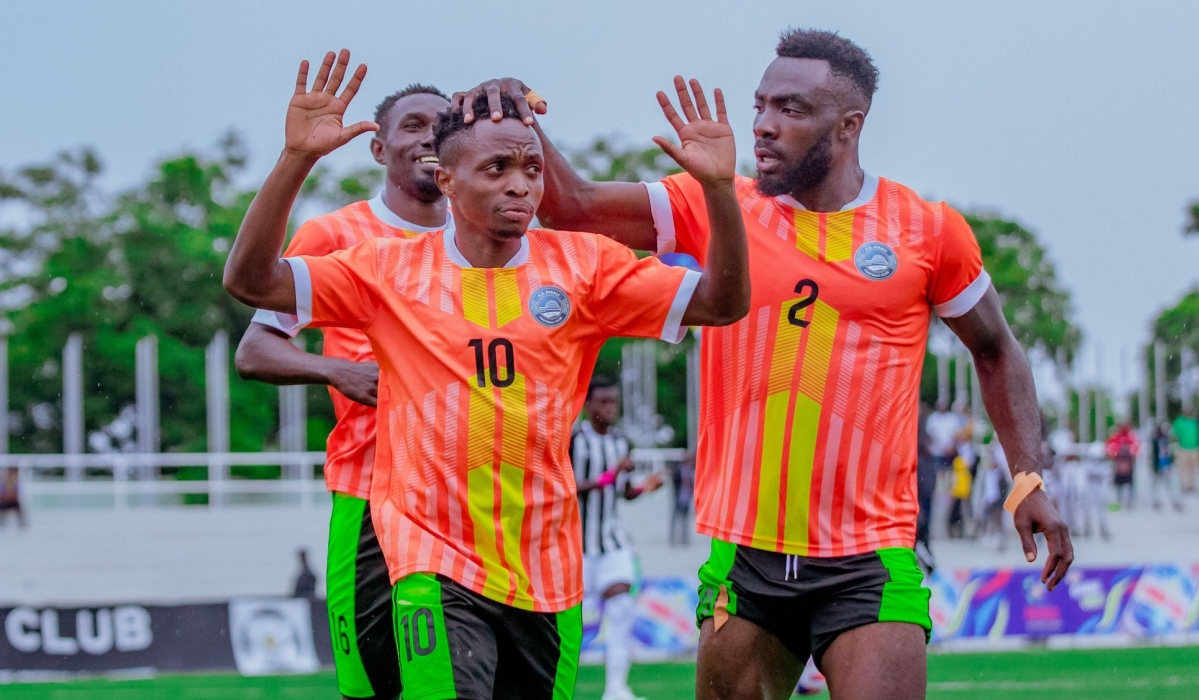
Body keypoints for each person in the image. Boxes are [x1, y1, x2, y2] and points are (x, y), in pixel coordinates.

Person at [457, 28, 1074, 700]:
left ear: (848, 125)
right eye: (760, 106)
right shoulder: (716, 205)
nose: (762, 126)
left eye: (789, 109)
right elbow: (571, 208)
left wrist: (1026, 477)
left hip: (868, 556)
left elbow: (995, 349)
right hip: (744, 556)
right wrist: (517, 113)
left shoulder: (924, 229)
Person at [222, 49, 750, 699]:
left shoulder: (586, 265)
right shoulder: (377, 263)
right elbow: (251, 288)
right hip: (421, 545)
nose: (520, 184)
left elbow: (722, 305)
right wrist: (296, 159)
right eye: (497, 168)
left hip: (544, 565)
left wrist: (720, 191)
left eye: (531, 169)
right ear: (443, 178)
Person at [235, 81, 457, 700]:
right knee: (370, 683)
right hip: (369, 491)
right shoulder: (336, 235)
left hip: (467, 499)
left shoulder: (488, 243)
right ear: (378, 148)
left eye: (441, 125)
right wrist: (339, 372)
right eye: (412, 125)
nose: (428, 137)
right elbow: (254, 351)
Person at [570, 375, 663, 700]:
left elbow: (622, 491)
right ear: (588, 404)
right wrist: (606, 476)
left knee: (621, 608)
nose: (610, 408)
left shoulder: (621, 442)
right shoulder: (573, 440)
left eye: (614, 401)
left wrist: (643, 488)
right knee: (564, 625)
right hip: (573, 547)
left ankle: (616, 690)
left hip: (610, 542)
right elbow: (563, 487)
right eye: (604, 402)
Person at [1149, 422, 1184, 511]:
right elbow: (1152, 454)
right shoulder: (1155, 441)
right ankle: (1156, 501)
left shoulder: (1166, 439)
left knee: (1170, 484)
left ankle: (1174, 501)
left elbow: (1169, 452)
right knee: (1156, 485)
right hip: (1158, 466)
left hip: (1166, 466)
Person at [1107, 423, 1139, 510]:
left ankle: (1129, 502)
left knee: (1130, 484)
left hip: (1129, 465)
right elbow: (1110, 449)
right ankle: (1119, 501)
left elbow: (1136, 449)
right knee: (1119, 485)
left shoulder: (1131, 437)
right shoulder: (1115, 437)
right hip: (1119, 466)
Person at [669, 451, 696, 546]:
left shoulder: (691, 470)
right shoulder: (678, 469)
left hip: (687, 497)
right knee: (675, 519)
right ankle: (673, 539)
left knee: (685, 519)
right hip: (678, 496)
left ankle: (685, 539)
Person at [1172, 409, 1199, 493]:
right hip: (1183, 448)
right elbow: (1174, 432)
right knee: (1183, 469)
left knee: (1192, 469)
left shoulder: (1195, 422)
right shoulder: (1180, 421)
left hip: (1194, 448)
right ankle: (1183, 486)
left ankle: (1190, 486)